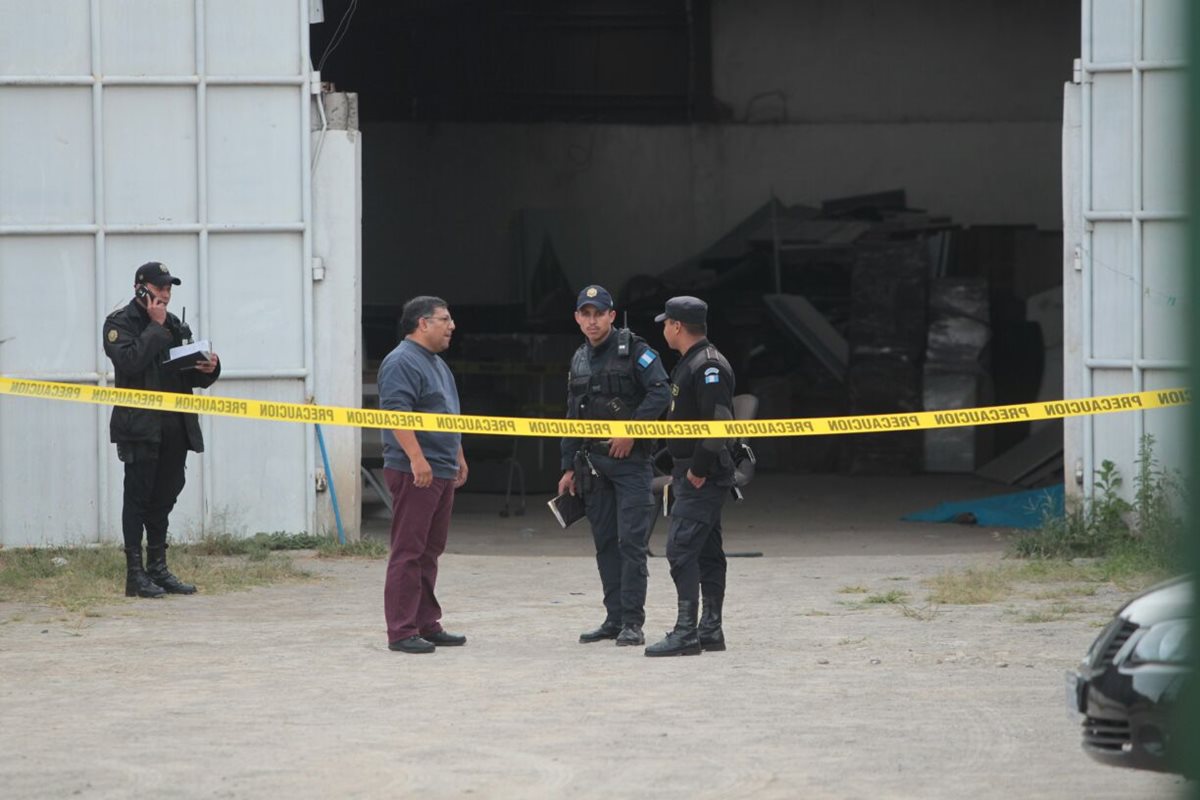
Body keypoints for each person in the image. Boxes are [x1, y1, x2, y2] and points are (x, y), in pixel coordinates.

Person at [559, 285, 671, 646]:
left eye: (598, 314)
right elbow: (572, 416)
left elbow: (661, 391)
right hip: (592, 464)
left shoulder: (635, 350)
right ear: (577, 318)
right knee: (605, 543)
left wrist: (632, 431)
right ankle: (614, 618)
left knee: (631, 544)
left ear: (611, 315)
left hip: (631, 464)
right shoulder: (578, 358)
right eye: (585, 314)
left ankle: (633, 623)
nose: (592, 321)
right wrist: (567, 467)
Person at [103, 261, 221, 598]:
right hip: (140, 426)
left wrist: (210, 367)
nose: (166, 294)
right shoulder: (119, 324)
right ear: (141, 288)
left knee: (166, 495)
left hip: (174, 427)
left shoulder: (173, 324)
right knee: (137, 498)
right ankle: (134, 575)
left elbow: (190, 376)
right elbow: (130, 363)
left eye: (169, 288)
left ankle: (158, 568)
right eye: (160, 287)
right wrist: (154, 328)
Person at [378, 296, 469, 654]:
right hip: (417, 470)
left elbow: (447, 413)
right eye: (444, 319)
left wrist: (458, 454)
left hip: (441, 468)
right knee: (409, 550)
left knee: (430, 550)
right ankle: (400, 630)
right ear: (422, 323)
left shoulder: (437, 364)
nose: (452, 326)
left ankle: (426, 623)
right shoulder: (401, 362)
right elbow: (396, 414)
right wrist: (416, 459)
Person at [645, 296, 734, 657]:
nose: (664, 328)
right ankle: (710, 629)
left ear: (677, 326)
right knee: (707, 551)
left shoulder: (708, 366)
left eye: (666, 323)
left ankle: (686, 632)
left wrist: (697, 468)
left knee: (680, 548)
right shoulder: (691, 362)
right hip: (691, 471)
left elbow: (720, 423)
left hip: (704, 475)